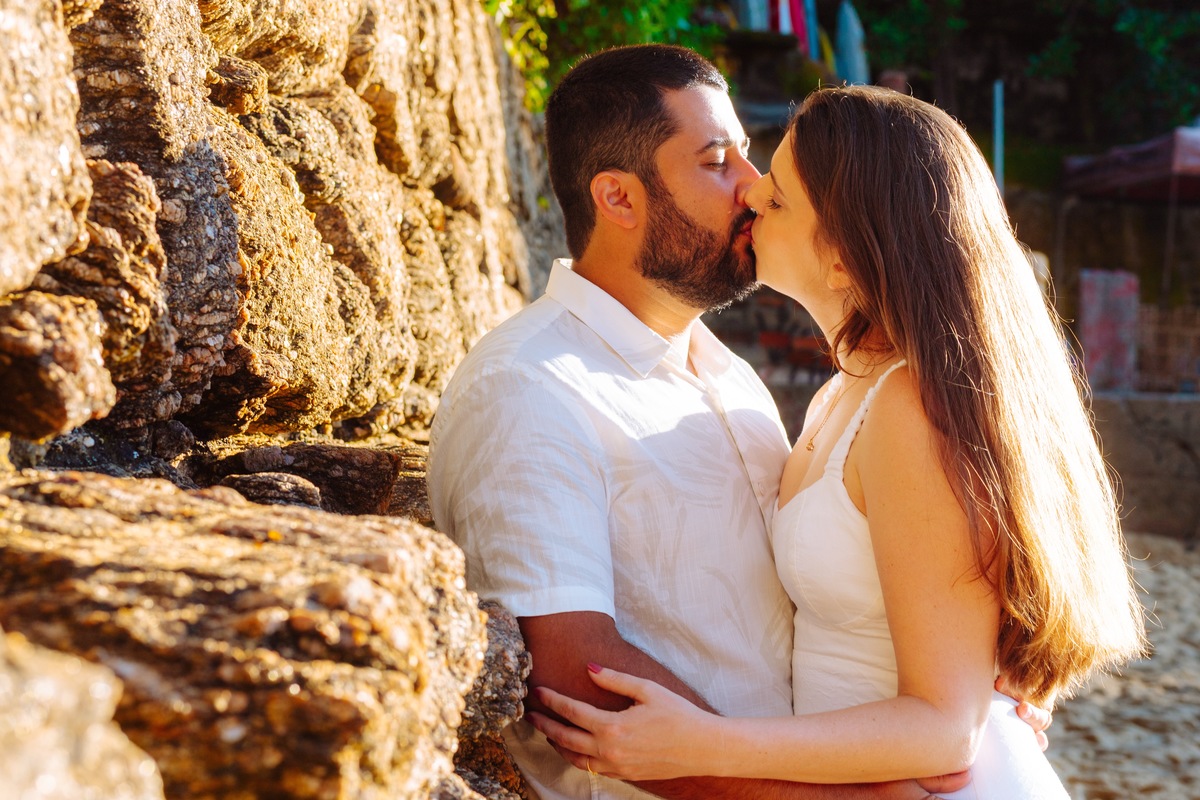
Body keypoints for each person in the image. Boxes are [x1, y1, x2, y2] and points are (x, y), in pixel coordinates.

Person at [430, 45, 1052, 800]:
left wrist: (980, 665)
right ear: (619, 198)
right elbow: (574, 678)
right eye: (716, 160)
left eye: (748, 157)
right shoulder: (528, 386)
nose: (753, 187)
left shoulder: (735, 377)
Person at [526, 85, 1148, 797]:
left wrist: (699, 744)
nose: (751, 195)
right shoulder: (845, 393)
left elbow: (947, 731)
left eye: (779, 198)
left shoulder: (907, 406)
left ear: (844, 258)